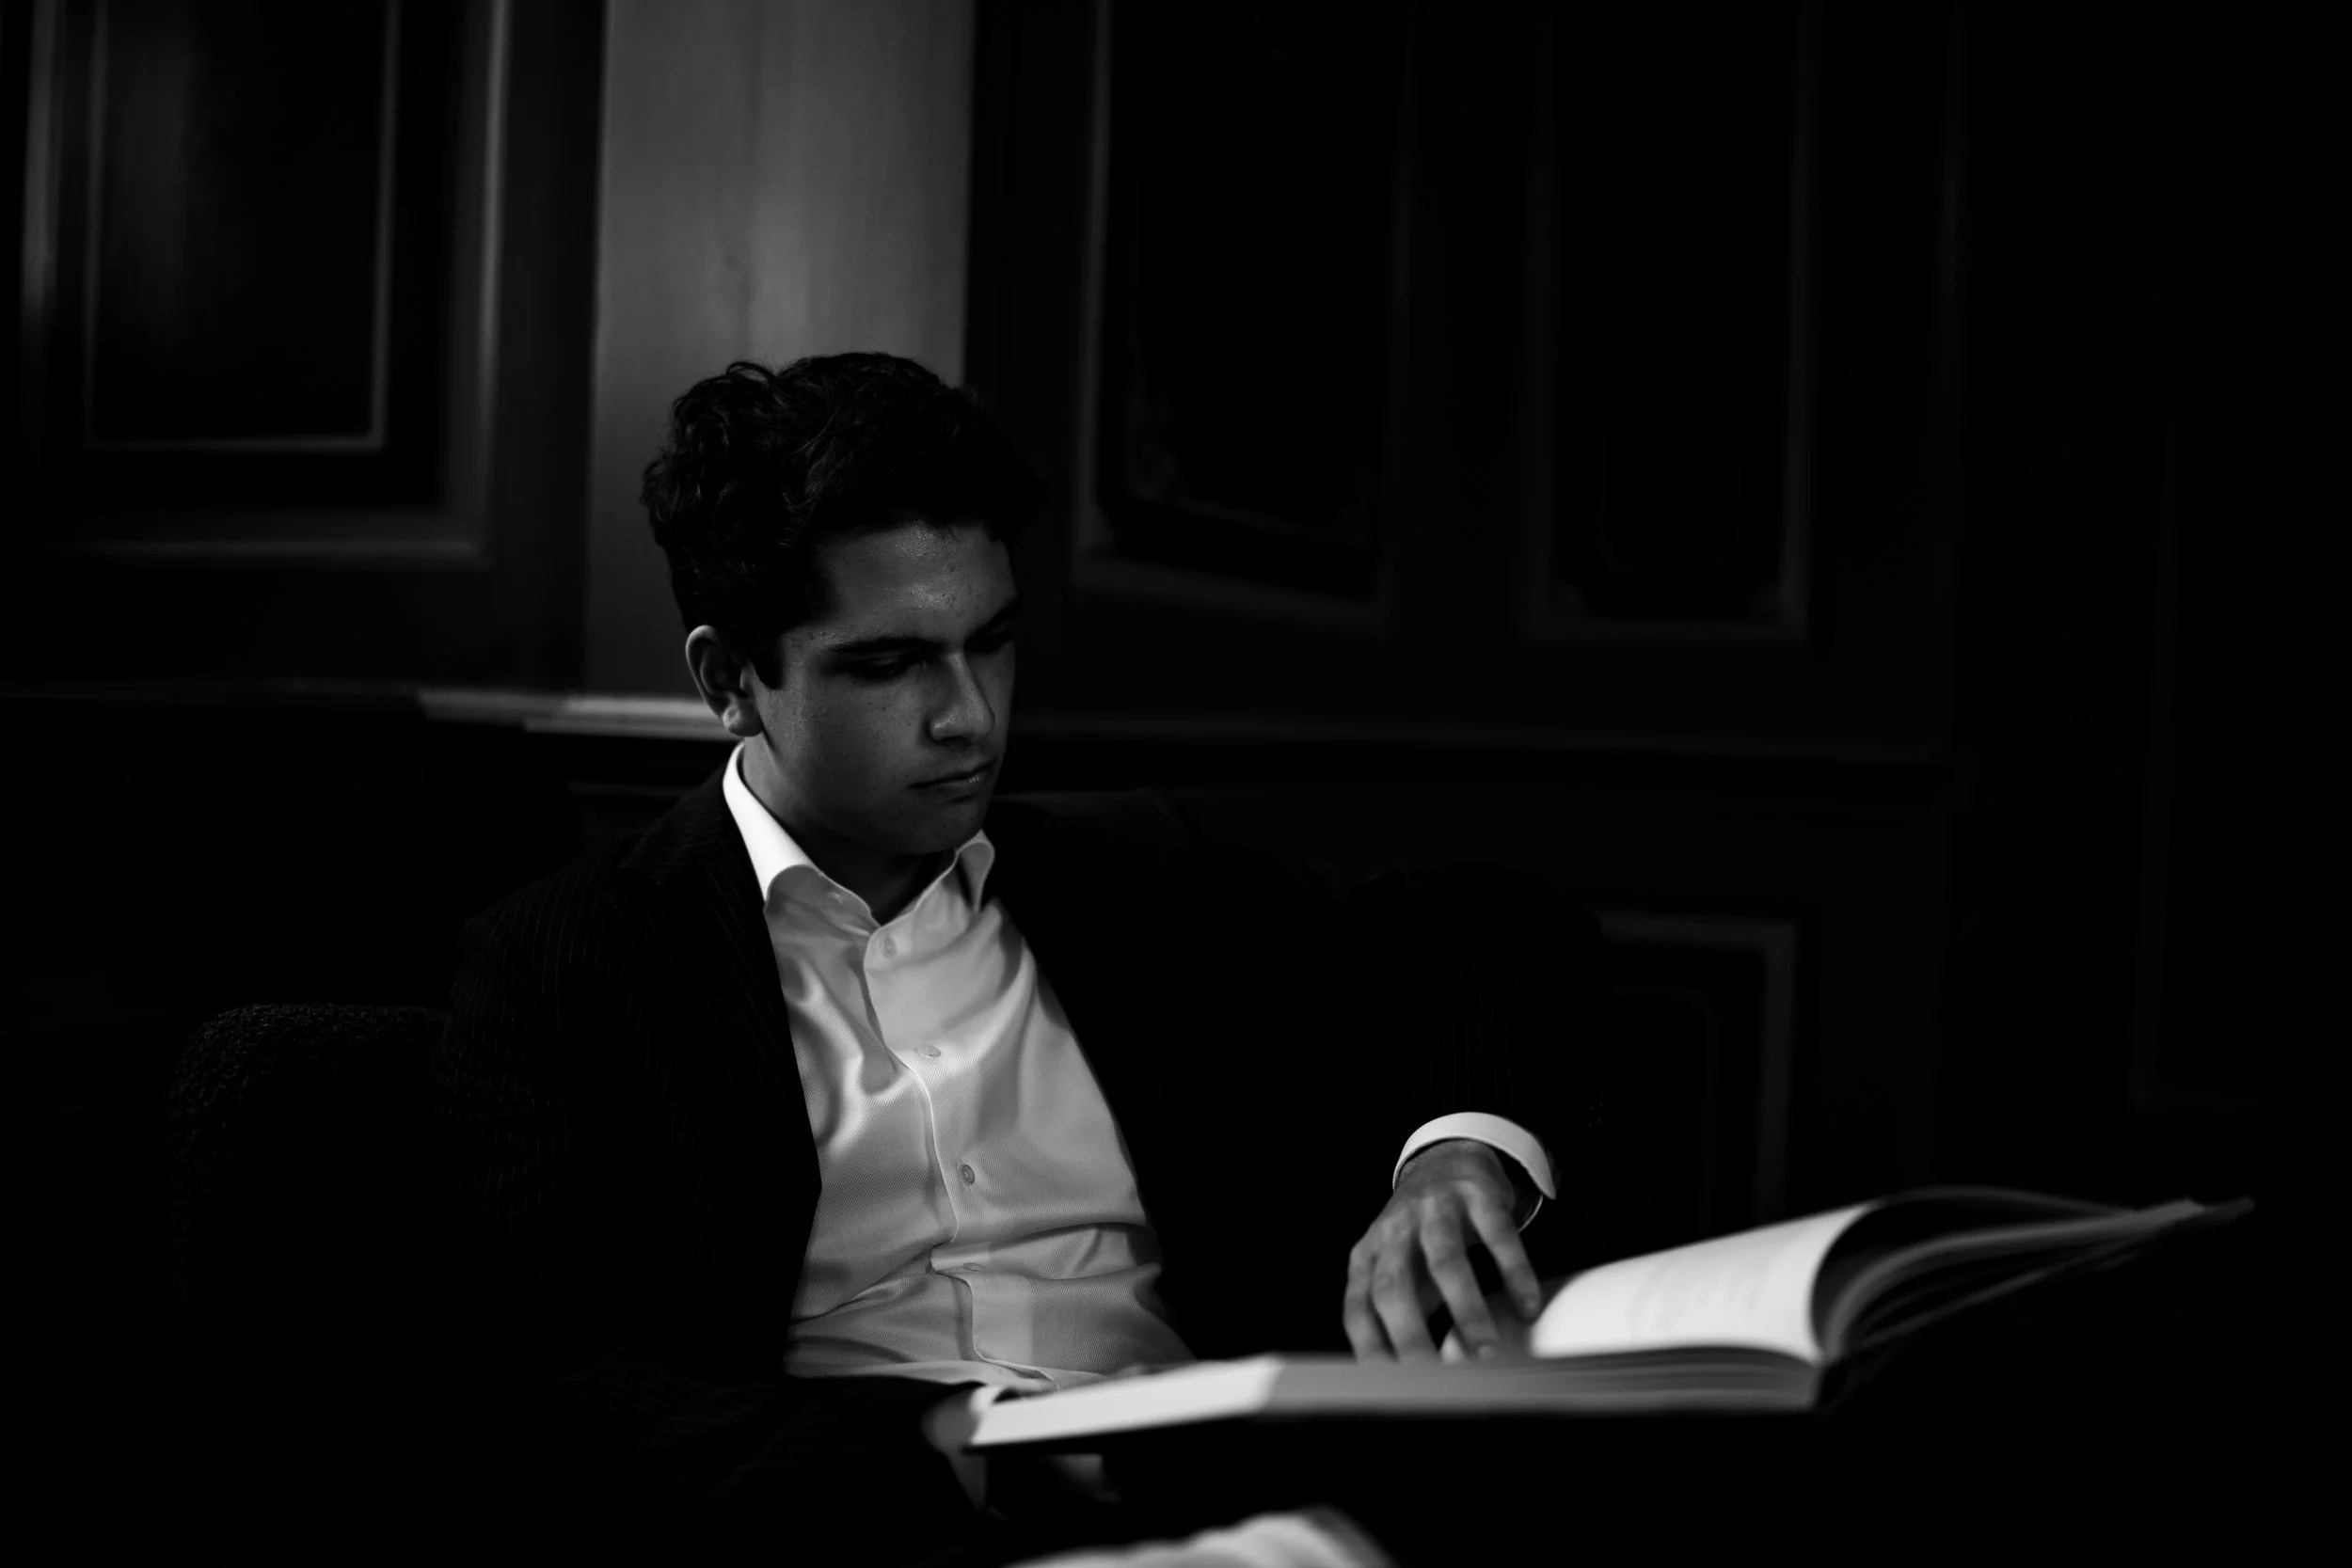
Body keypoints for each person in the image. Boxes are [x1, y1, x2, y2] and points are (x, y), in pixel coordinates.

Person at [431, 354, 1629, 1564]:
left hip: (1231, 1507)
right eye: (891, 663)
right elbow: (544, 1381)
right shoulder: (563, 961)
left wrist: (1454, 1156)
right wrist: (957, 1437)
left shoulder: (1128, 872)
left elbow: (1491, 930)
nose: (971, 716)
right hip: (861, 1527)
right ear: (728, 681)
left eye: (989, 641)